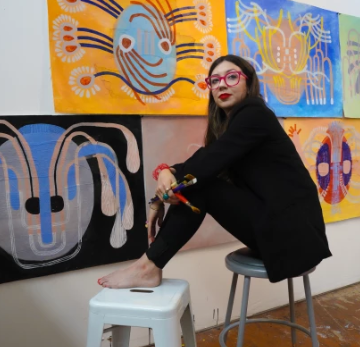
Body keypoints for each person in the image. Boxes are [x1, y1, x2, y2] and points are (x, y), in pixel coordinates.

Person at [97, 55, 331, 289]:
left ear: (248, 83)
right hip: (282, 231)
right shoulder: (235, 127)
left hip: (296, 237)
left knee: (202, 186)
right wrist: (167, 173)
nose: (221, 85)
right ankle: (149, 266)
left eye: (232, 77)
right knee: (200, 184)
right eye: (215, 80)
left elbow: (206, 165)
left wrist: (163, 185)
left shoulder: (254, 113)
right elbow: (206, 158)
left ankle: (148, 266)